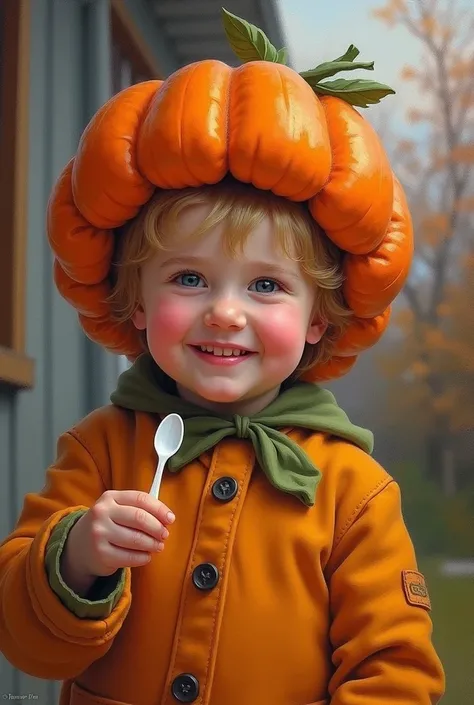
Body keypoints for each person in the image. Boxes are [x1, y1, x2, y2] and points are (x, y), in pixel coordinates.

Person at [0, 9, 444, 705]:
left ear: (317, 320)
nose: (226, 311)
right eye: (189, 278)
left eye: (266, 285)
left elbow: (396, 672)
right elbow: (27, 641)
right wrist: (79, 557)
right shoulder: (99, 452)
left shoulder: (353, 492)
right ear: (137, 302)